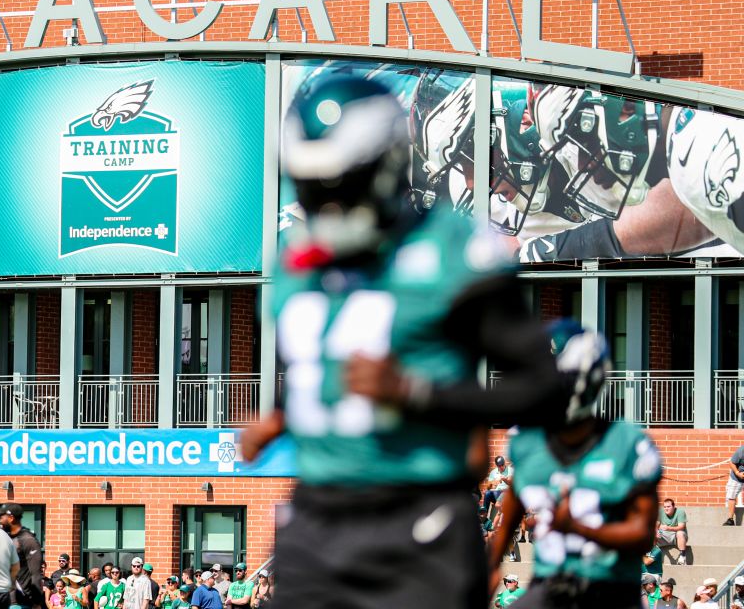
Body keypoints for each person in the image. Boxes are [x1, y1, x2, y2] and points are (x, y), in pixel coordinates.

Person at [241, 74, 562, 609]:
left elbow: (544, 389)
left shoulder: (455, 250)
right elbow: (324, 367)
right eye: (309, 187)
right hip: (315, 522)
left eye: (337, 186)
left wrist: (415, 392)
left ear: (386, 164)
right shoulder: (294, 261)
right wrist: (280, 414)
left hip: (419, 524)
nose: (325, 207)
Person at [487, 321, 663, 608]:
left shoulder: (627, 444)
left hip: (610, 589)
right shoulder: (526, 441)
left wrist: (579, 529)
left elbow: (643, 535)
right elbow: (509, 518)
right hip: (548, 588)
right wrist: (491, 566)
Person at [1, 503, 47, 609]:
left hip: (19, 602)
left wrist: (37, 602)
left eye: (1, 517)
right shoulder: (5, 538)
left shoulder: (27, 540)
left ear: (11, 518)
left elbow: (35, 574)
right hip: (2, 599)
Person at [658, 498, 691, 564]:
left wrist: (668, 528)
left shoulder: (680, 512)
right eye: (665, 507)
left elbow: (681, 527)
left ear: (673, 506)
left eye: (668, 506)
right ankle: (652, 556)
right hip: (664, 536)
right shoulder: (660, 512)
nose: (666, 509)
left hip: (676, 537)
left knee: (680, 533)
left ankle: (682, 556)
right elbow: (657, 523)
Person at [725, 444, 744, 526]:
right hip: (737, 476)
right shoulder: (741, 451)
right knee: (731, 496)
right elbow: (732, 463)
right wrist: (737, 473)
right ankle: (730, 519)